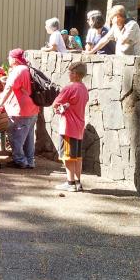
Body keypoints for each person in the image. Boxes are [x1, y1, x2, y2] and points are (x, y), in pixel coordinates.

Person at [0, 48, 39, 169]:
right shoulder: (28, 68)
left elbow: (9, 88)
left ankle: (20, 161)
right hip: (32, 109)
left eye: (9, 57)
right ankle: (29, 161)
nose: (8, 59)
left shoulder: (18, 70)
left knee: (16, 138)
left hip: (20, 111)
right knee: (28, 138)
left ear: (14, 59)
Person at [53, 62, 89, 192]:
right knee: (77, 157)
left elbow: (56, 103)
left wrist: (60, 107)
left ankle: (70, 183)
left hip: (68, 126)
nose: (69, 74)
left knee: (67, 157)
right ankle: (78, 182)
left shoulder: (69, 88)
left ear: (75, 74)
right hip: (79, 127)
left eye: (70, 72)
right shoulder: (84, 88)